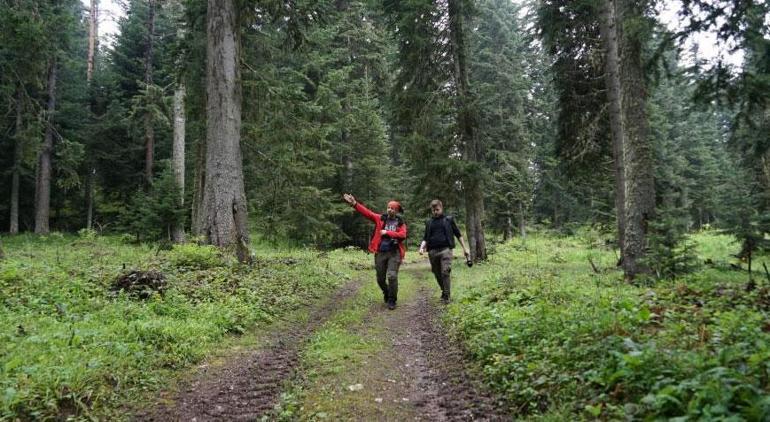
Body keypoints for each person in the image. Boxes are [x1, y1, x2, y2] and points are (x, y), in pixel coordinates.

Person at [343, 193, 407, 310]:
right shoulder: (380, 219)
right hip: (380, 252)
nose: (389, 210)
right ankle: (387, 292)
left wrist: (387, 232)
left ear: (396, 210)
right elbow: (367, 213)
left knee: (392, 276)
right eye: (388, 207)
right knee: (380, 279)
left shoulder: (400, 223)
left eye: (392, 208)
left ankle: (392, 300)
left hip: (394, 253)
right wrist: (354, 204)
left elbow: (403, 235)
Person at [418, 199, 470, 303]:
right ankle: (444, 291)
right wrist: (421, 247)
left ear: (441, 208)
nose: (435, 212)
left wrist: (465, 248)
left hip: (446, 249)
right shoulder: (429, 222)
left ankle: (447, 296)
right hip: (432, 251)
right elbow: (425, 238)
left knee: (445, 271)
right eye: (433, 210)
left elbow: (458, 234)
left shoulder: (448, 220)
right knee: (437, 273)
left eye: (437, 209)